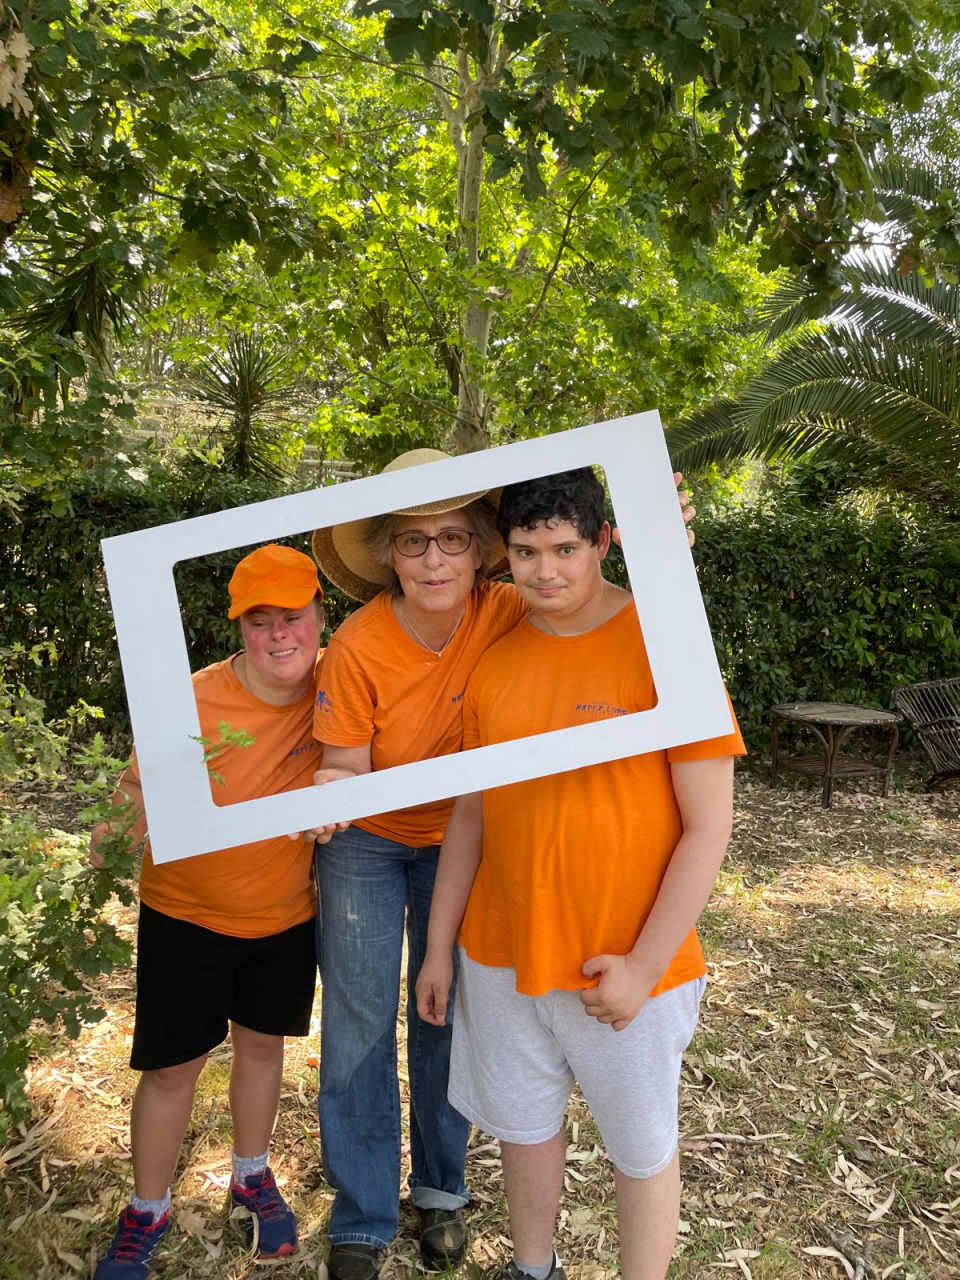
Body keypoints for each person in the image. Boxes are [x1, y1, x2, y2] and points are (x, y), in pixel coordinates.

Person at [307, 450, 698, 1280]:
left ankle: (442, 1192)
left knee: (460, 1028)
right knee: (373, 1031)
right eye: (413, 542)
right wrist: (331, 792)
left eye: (453, 538)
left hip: (530, 878)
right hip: (404, 857)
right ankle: (383, 1221)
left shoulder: (542, 612)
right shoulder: (377, 643)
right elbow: (407, 786)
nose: (435, 559)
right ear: (386, 553)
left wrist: (666, 545)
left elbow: (592, 587)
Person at [415, 467, 745, 1280]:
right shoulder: (496, 661)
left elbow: (709, 825)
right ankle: (534, 1269)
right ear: (506, 555)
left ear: (602, 542)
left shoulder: (665, 645)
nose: (546, 571)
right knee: (523, 1131)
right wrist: (439, 948)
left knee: (641, 1149)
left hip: (623, 961)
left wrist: (645, 964)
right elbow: (471, 814)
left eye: (565, 548)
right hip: (503, 952)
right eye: (527, 552)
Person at [90, 544, 343, 1280]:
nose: (279, 635)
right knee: (173, 1069)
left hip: (283, 919)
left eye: (293, 616)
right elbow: (137, 793)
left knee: (262, 1049)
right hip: (186, 915)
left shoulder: (340, 689)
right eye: (260, 622)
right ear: (239, 628)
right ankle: (147, 1209)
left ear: (321, 615)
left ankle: (251, 1174)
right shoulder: (193, 700)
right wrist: (111, 841)